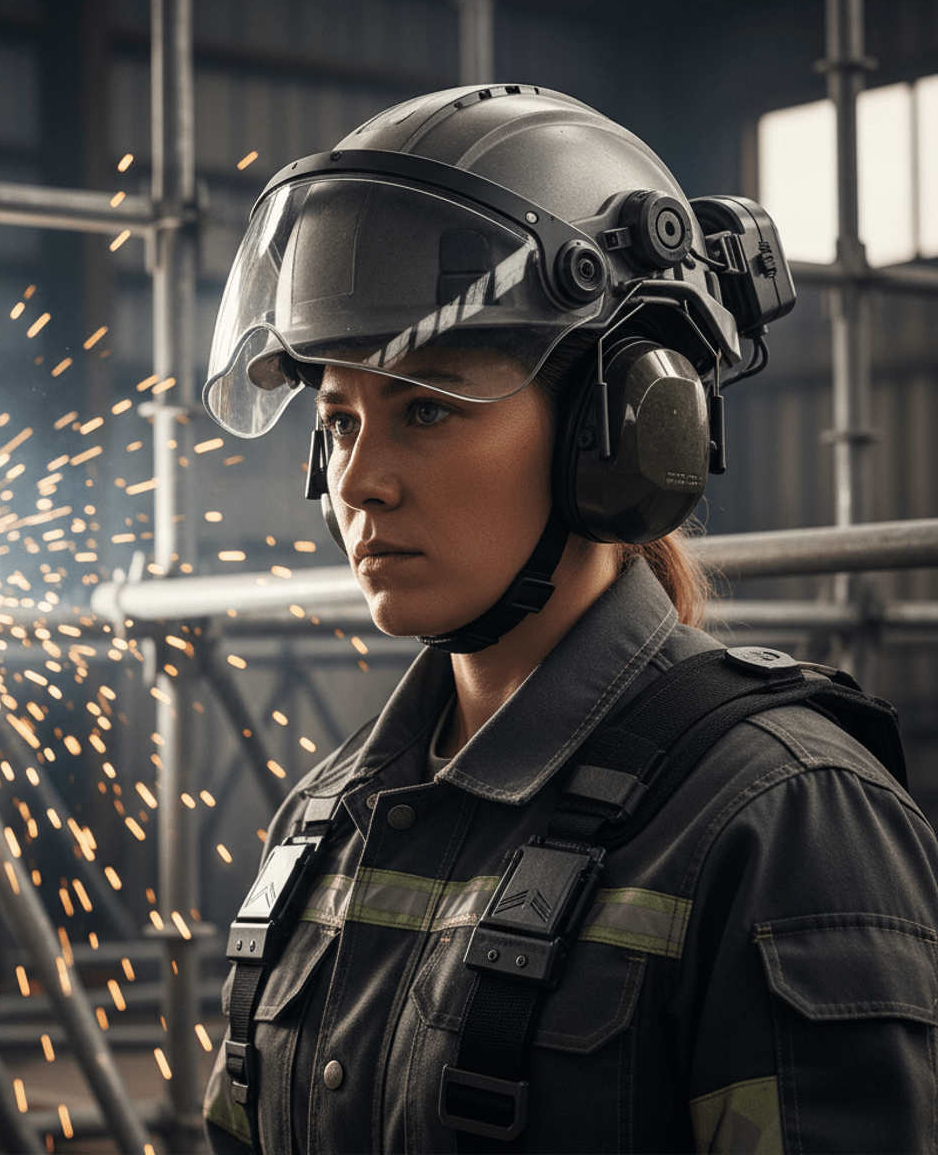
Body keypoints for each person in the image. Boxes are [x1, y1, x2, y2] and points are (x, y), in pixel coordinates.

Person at [198, 85, 938, 1154]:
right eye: (338, 419)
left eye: (427, 408)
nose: (357, 482)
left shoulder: (781, 825)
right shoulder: (326, 823)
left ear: (626, 428)